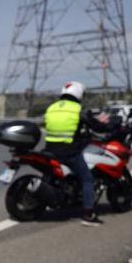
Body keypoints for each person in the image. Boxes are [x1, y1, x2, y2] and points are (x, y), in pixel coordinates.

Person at [44, 81, 109, 227]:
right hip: (68, 152)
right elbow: (95, 126)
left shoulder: (51, 107)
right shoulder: (78, 109)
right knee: (87, 179)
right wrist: (106, 125)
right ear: (79, 94)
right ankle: (88, 214)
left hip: (49, 150)